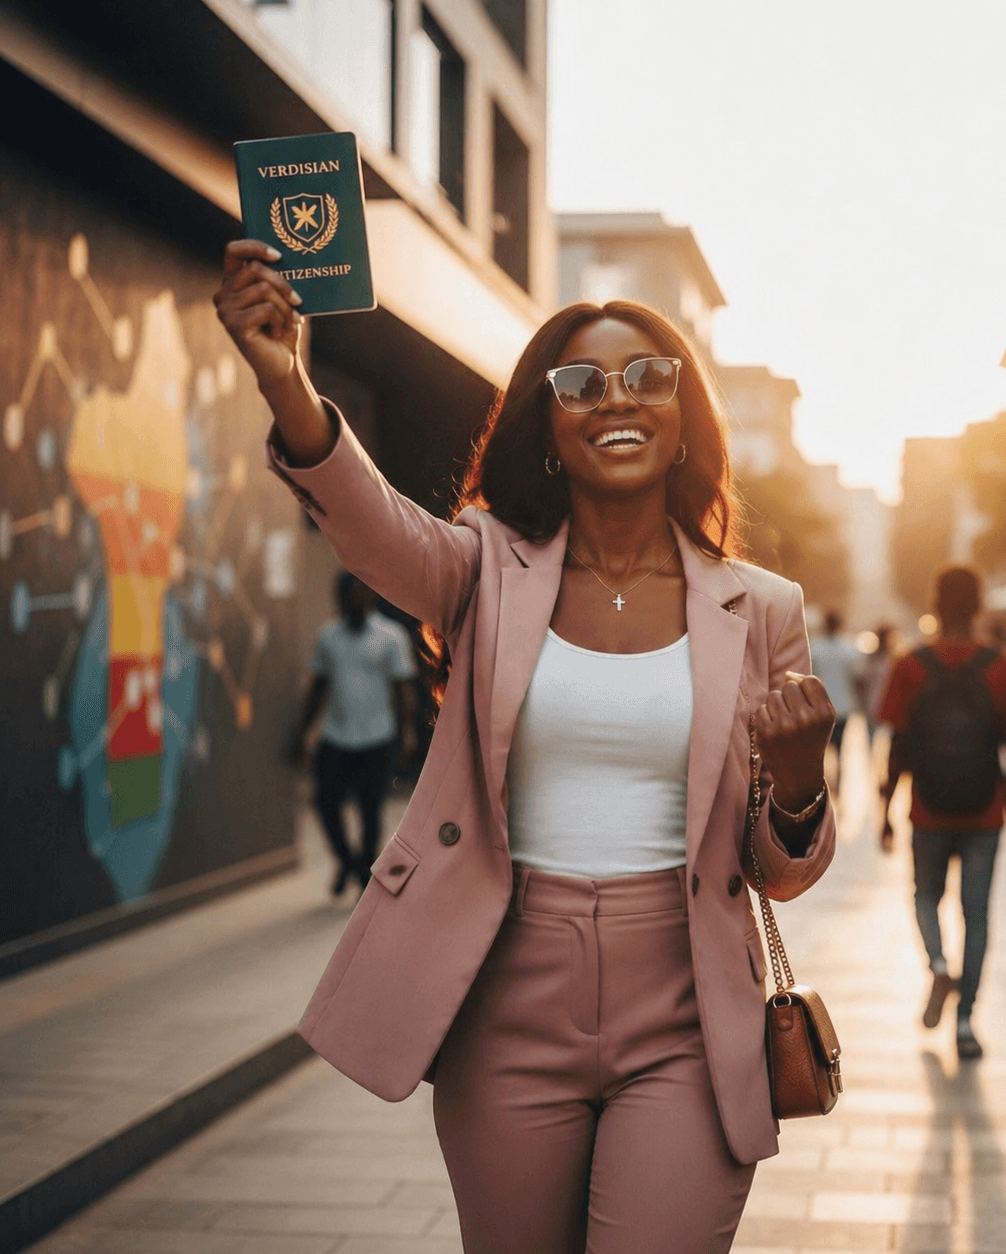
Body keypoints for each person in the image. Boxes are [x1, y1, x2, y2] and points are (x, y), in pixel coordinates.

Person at [214, 241, 837, 1254]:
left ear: (685, 420)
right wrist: (289, 382)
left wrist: (803, 786)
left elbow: (778, 868)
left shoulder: (762, 610)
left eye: (647, 376)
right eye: (580, 382)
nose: (616, 398)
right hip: (505, 998)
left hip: (687, 1006)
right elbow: (372, 530)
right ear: (549, 427)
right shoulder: (480, 570)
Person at [879, 567, 1006, 1061]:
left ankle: (938, 963)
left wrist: (885, 808)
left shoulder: (910, 665)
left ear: (934, 603)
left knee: (924, 896)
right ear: (979, 606)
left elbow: (898, 744)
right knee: (977, 915)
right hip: (985, 811)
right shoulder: (1005, 665)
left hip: (927, 809)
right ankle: (966, 1021)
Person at [290, 572, 418, 894]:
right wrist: (302, 732)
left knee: (370, 809)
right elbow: (318, 688)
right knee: (325, 802)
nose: (355, 600)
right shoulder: (329, 637)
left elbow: (403, 689)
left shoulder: (391, 636)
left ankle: (364, 870)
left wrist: (407, 732)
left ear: (371, 597)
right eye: (349, 594)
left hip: (377, 736)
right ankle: (349, 862)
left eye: (361, 593)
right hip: (337, 736)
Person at [808, 609, 862, 792]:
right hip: (842, 706)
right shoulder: (849, 650)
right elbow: (857, 677)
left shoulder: (815, 648)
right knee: (840, 747)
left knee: (820, 749)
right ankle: (838, 782)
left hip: (819, 706)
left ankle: (820, 783)